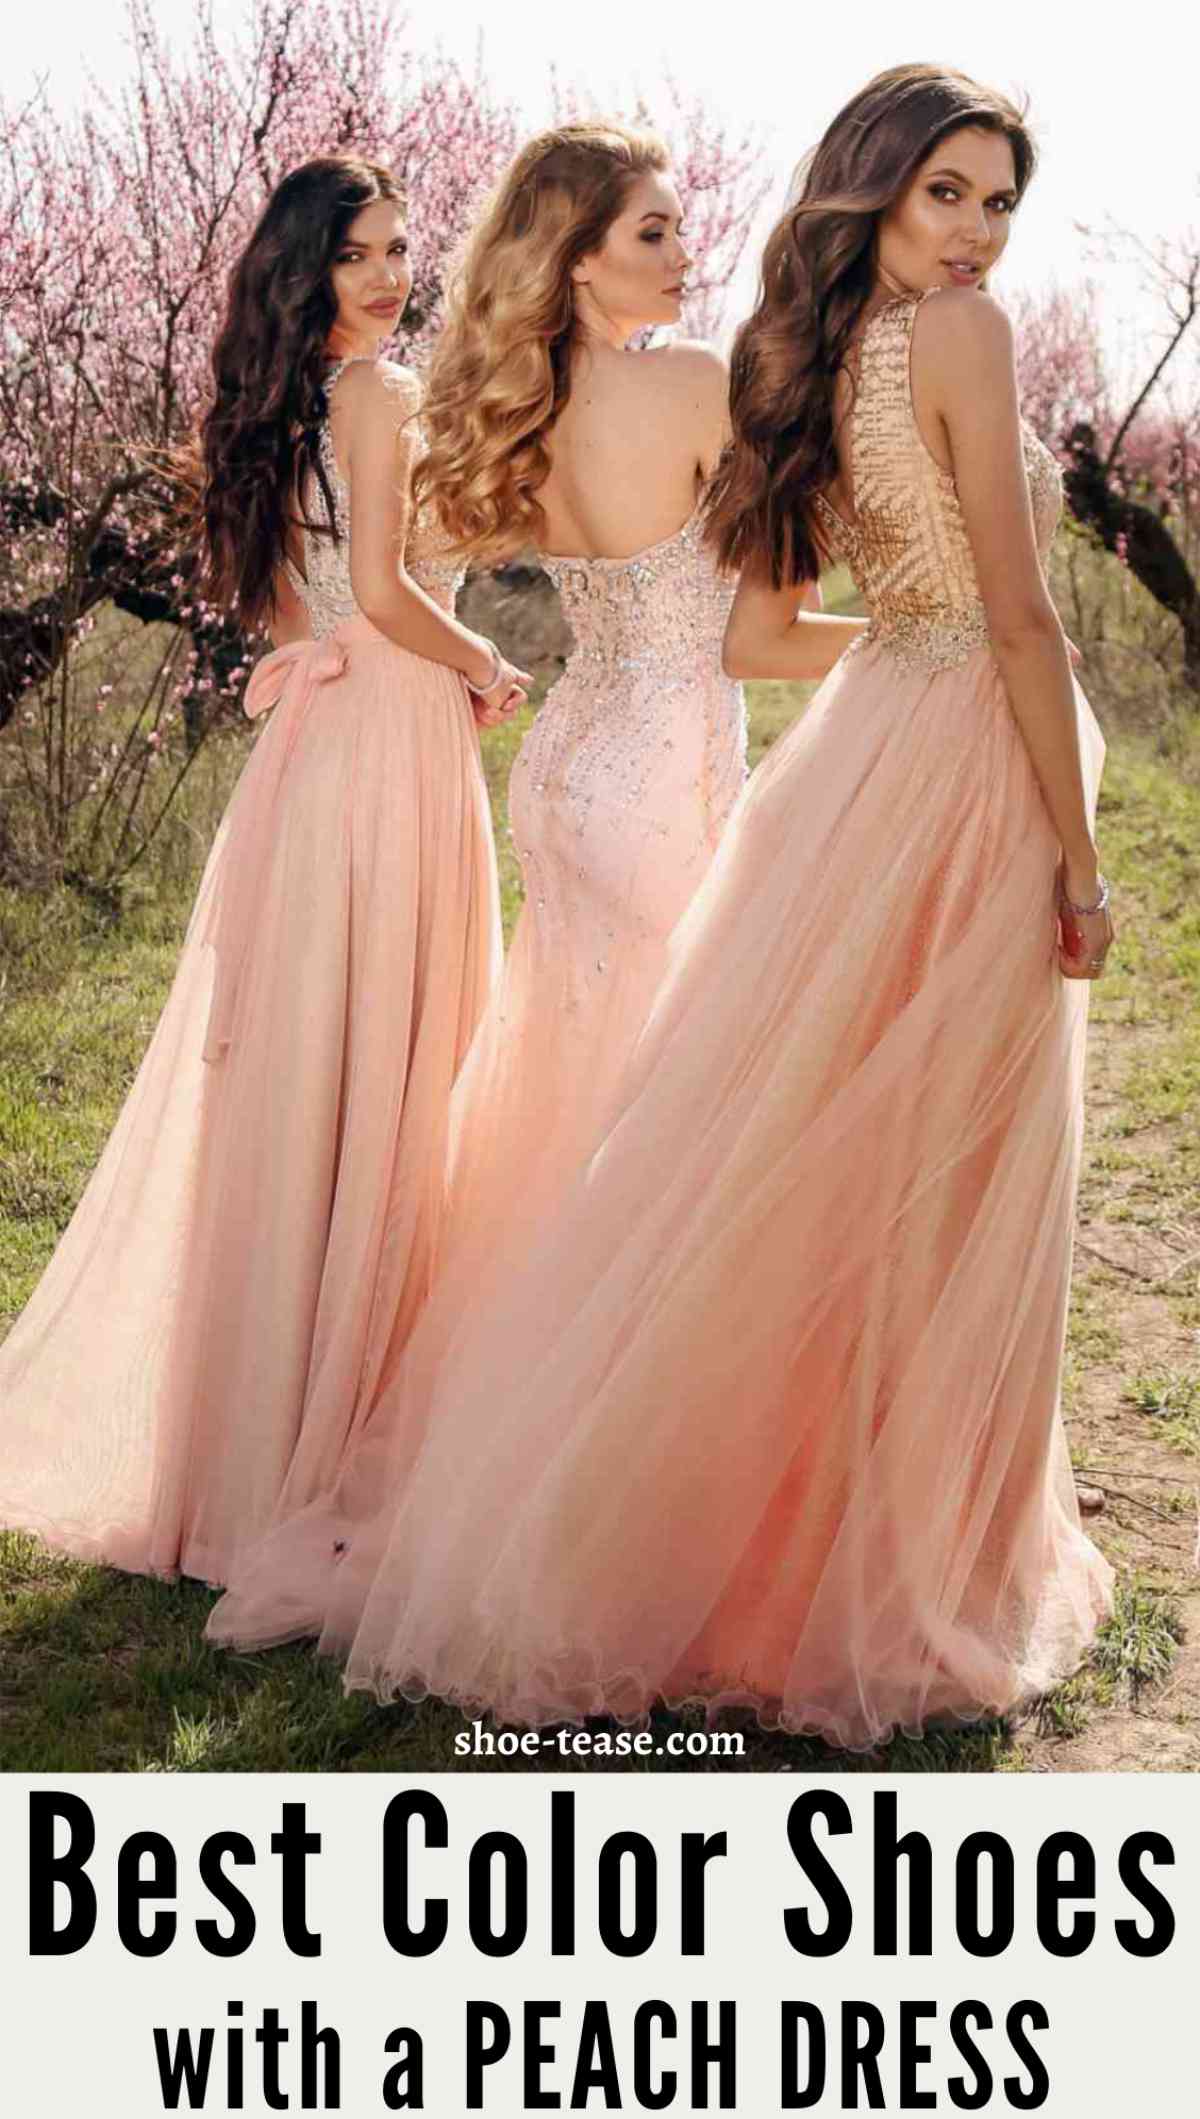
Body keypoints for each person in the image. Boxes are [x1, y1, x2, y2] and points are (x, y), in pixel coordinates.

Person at [207, 123, 862, 1649]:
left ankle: (485, 1437)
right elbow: (760, 632)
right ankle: (615, 1467)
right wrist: (929, 630)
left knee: (552, 1129)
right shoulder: (696, 384)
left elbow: (390, 557)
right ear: (575, 253)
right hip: (658, 785)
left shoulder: (512, 407)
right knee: (658, 1136)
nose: (682, 252)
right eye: (648, 230)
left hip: (560, 779)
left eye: (679, 226)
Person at [0, 157, 528, 1587]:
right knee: (386, 1073)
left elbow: (302, 601)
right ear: (306, 265)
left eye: (401, 248)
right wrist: (484, 657)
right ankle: (336, 1426)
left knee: (313, 1074)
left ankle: (264, 1431)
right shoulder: (380, 394)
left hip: (312, 758)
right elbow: (378, 595)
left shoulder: (279, 405)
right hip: (387, 744)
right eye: (357, 253)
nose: (386, 274)